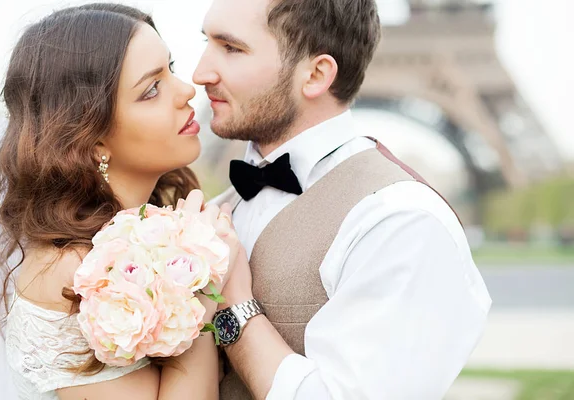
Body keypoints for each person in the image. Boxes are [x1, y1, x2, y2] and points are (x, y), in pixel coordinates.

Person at [192, 0, 493, 398]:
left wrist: (235, 307)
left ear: (316, 74)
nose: (200, 73)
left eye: (231, 48)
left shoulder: (401, 221)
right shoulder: (212, 211)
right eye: (206, 42)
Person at [0, 4, 237, 399]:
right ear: (93, 139)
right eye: (151, 89)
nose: (187, 90)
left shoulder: (143, 223)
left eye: (170, 68)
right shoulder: (71, 272)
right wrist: (197, 285)